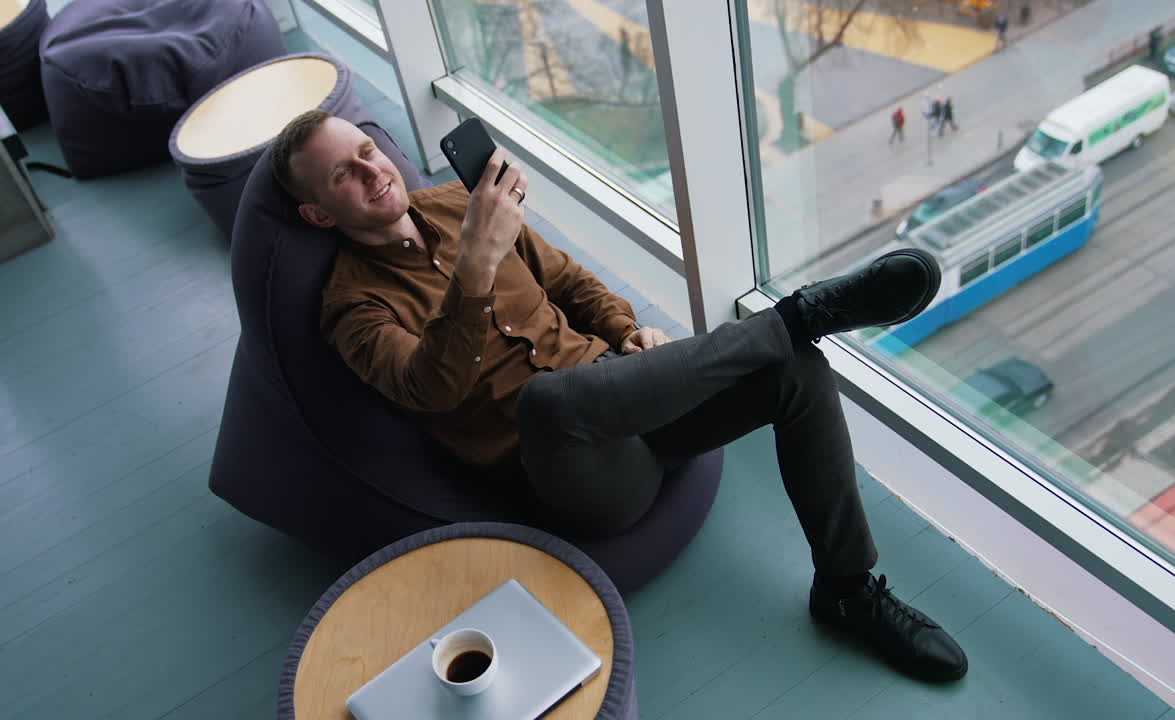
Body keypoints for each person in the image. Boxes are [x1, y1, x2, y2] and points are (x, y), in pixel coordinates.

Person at [272, 110, 969, 683]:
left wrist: (629, 330)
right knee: (546, 402)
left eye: (367, 150)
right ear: (318, 212)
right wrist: (478, 265)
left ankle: (846, 590)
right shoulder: (351, 310)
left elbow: (569, 284)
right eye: (344, 173)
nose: (371, 171)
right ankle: (796, 314)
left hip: (633, 400)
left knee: (800, 372)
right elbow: (429, 388)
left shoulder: (457, 204)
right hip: (574, 474)